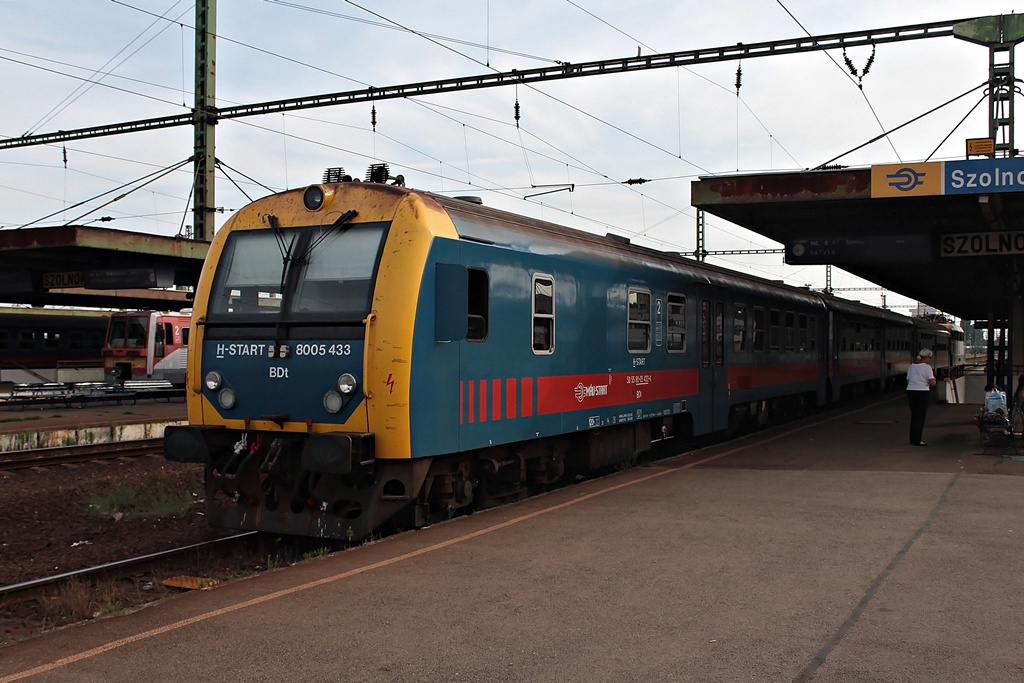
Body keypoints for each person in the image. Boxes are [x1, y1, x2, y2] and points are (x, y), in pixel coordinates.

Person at [906, 348, 936, 446]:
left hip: (911, 391)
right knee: (920, 417)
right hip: (922, 392)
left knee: (914, 416)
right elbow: (932, 382)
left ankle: (912, 439)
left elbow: (908, 380)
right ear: (927, 357)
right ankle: (917, 440)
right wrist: (932, 382)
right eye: (930, 357)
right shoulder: (927, 367)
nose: (930, 359)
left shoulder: (912, 366)